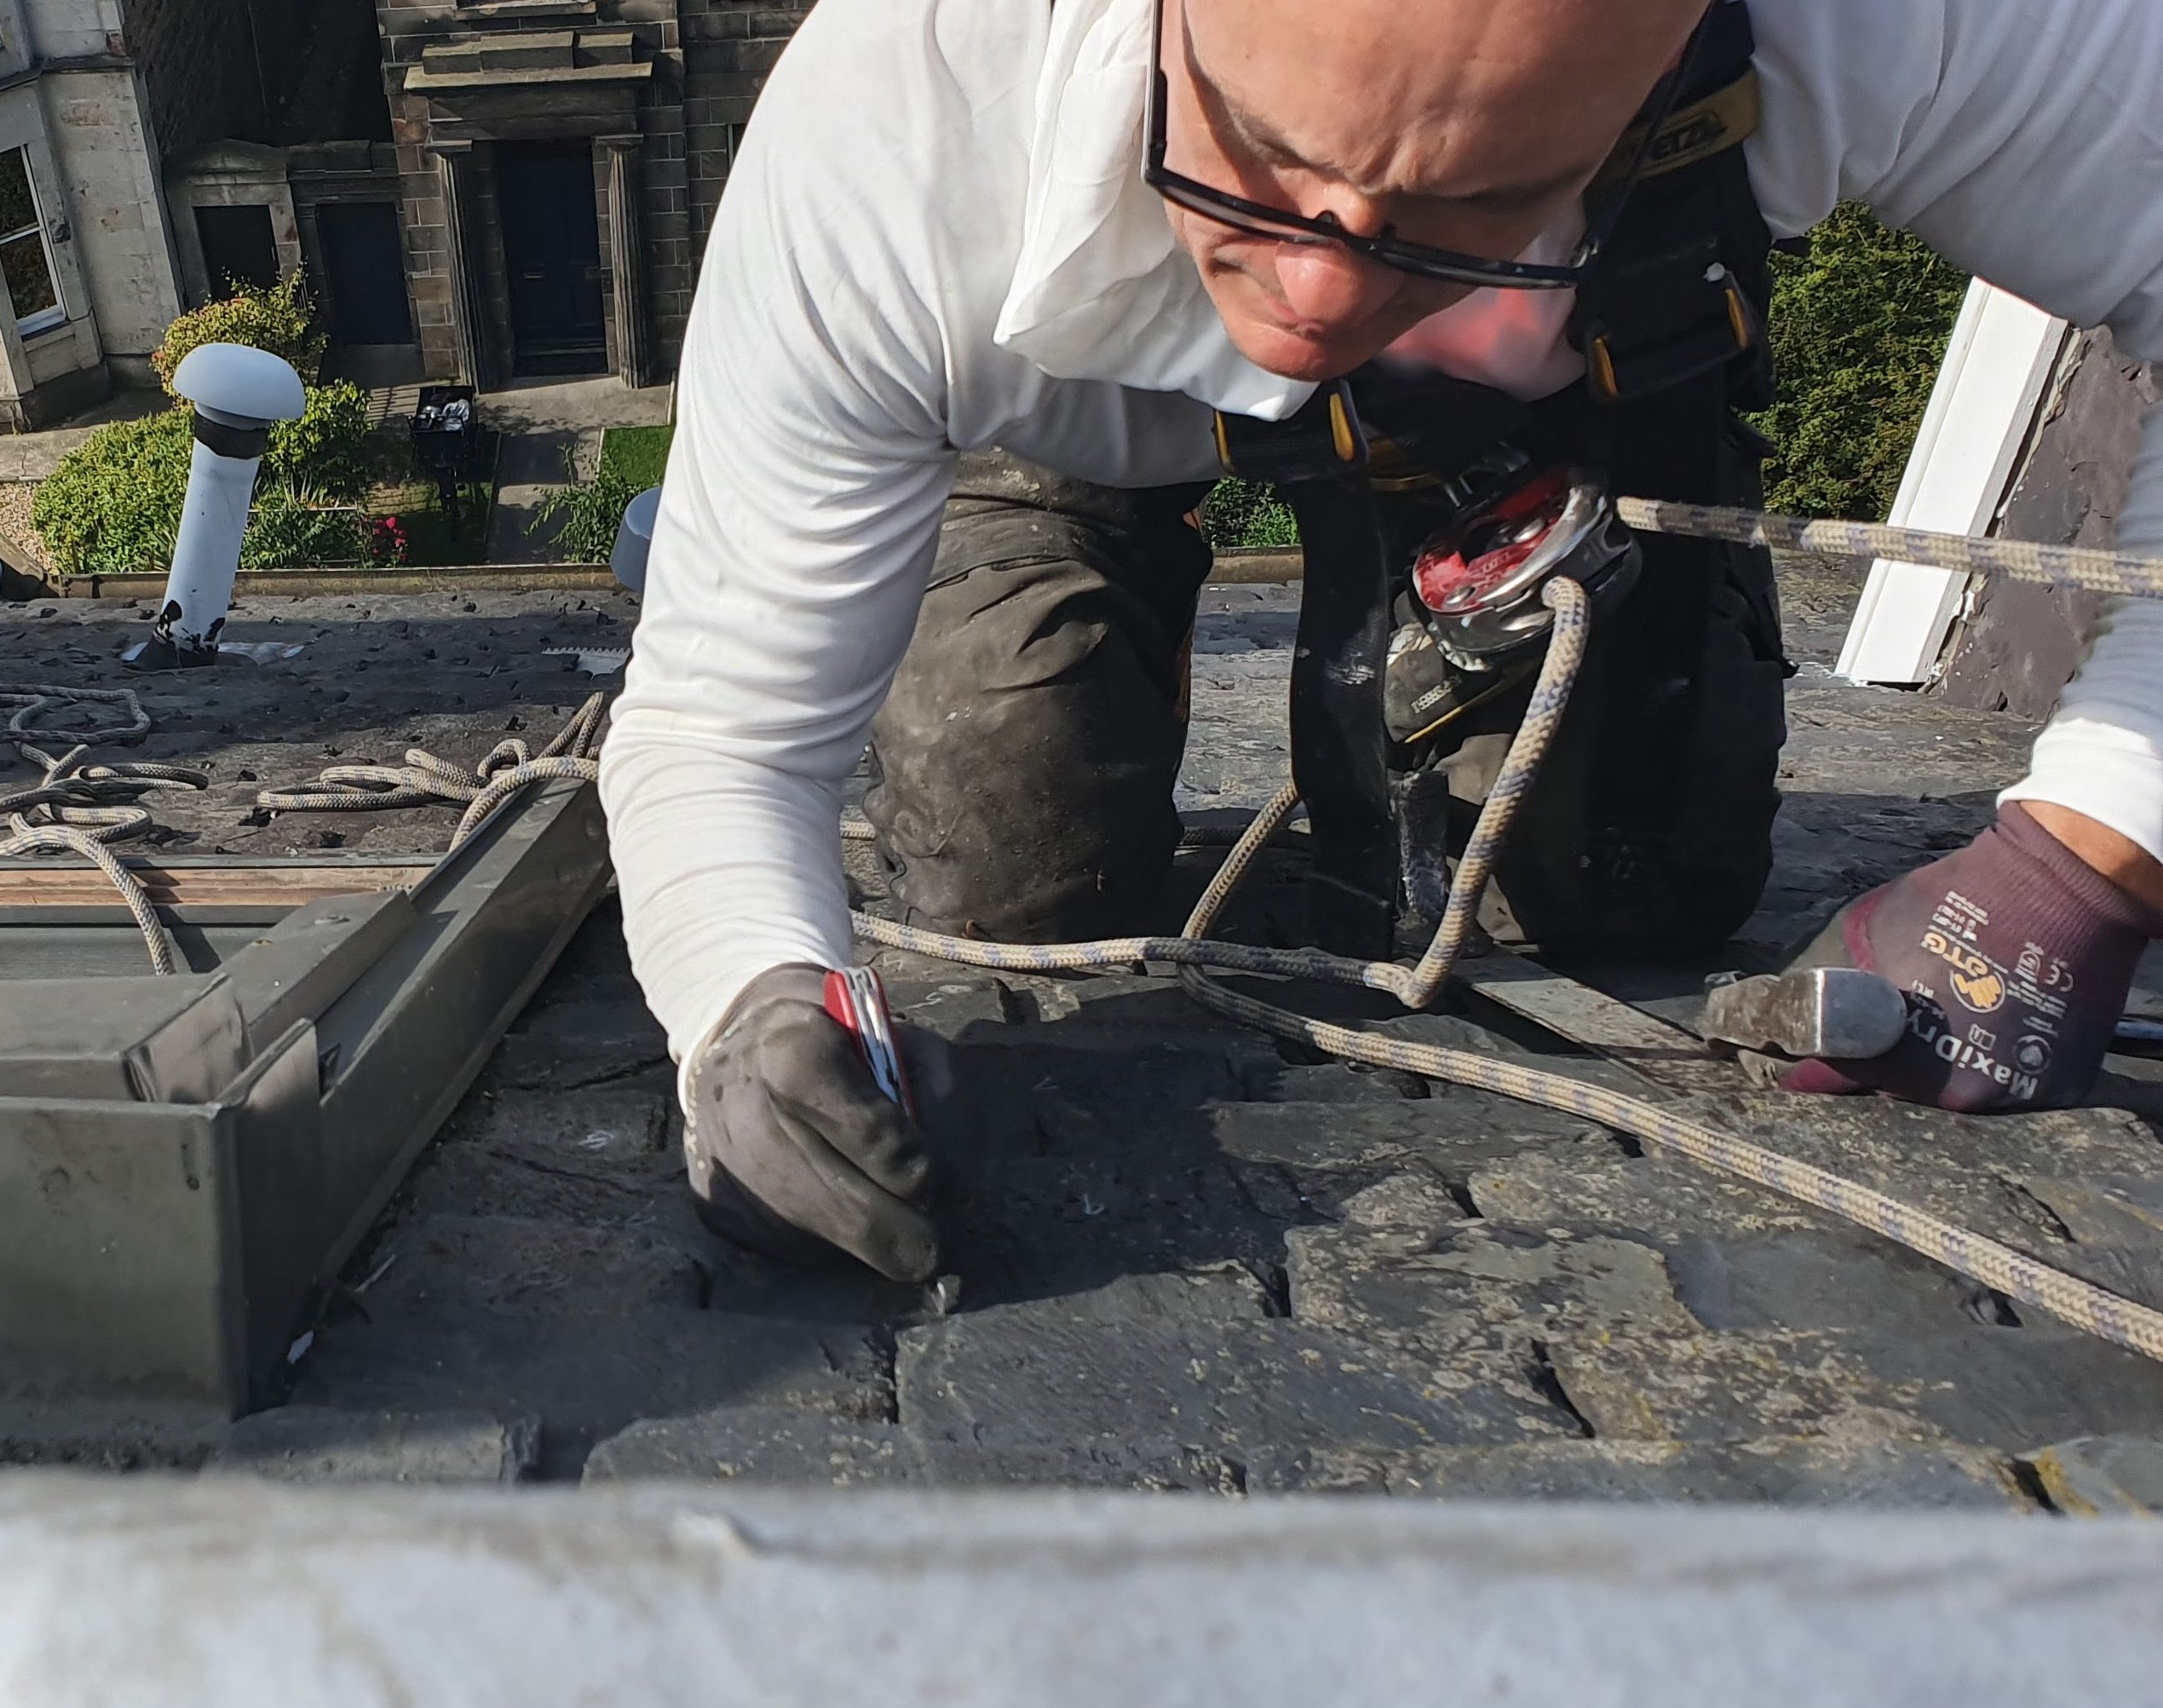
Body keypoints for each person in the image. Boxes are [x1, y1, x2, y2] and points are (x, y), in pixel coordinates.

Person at [600, 0, 2163, 1283]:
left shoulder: (1877, 23)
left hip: (1515, 414)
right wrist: (747, 995)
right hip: (1044, 413)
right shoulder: (898, 124)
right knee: (1025, 861)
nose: (1307, 302)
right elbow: (721, 734)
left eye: (1472, 199)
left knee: (1610, 888)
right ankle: (895, 544)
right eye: (1257, 161)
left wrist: (2087, 855)